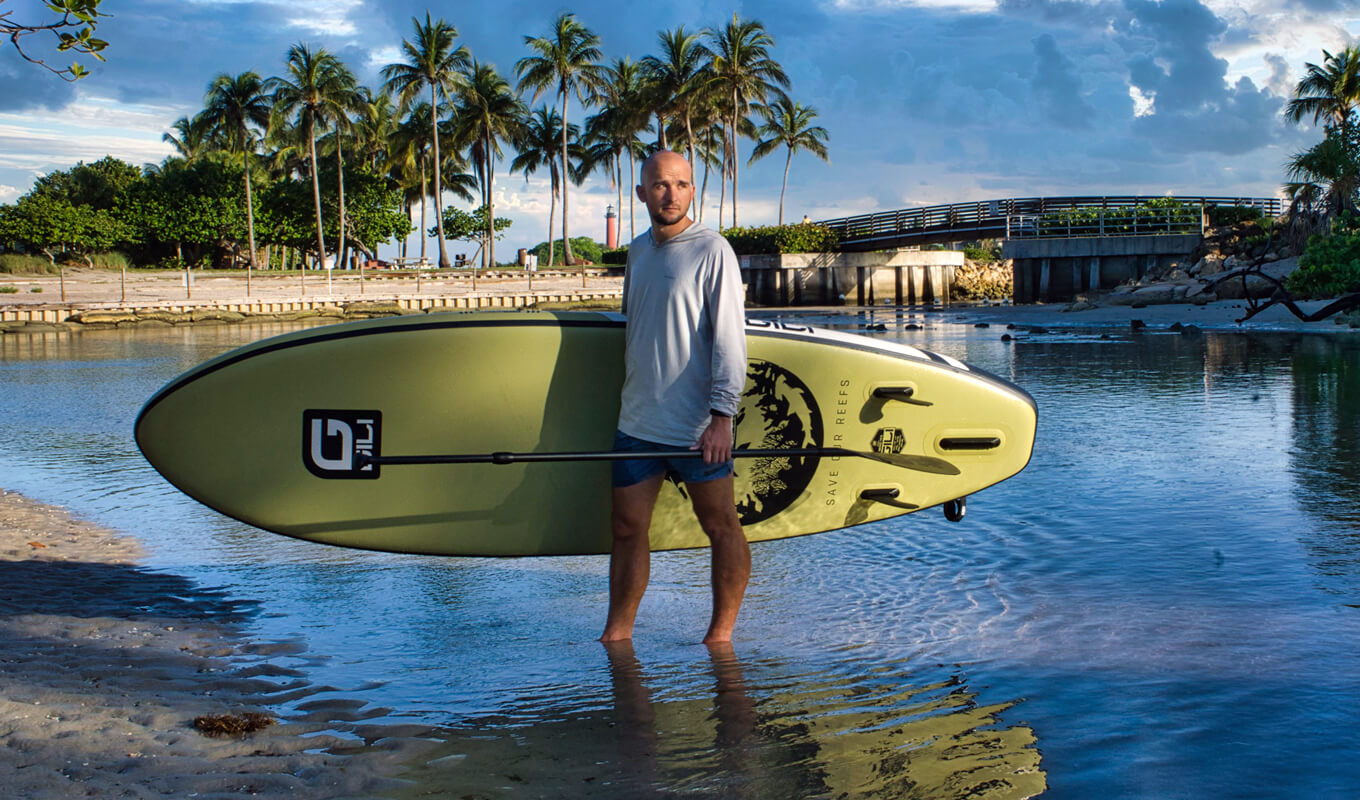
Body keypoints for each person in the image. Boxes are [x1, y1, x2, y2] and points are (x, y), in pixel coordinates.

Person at [600, 150, 749, 644]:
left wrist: (722, 416)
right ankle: (617, 635)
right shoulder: (638, 251)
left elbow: (730, 337)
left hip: (695, 427)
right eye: (661, 185)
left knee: (721, 525)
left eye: (682, 185)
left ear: (692, 191)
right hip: (637, 421)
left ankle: (720, 637)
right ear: (641, 192)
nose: (671, 194)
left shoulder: (713, 250)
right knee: (626, 529)